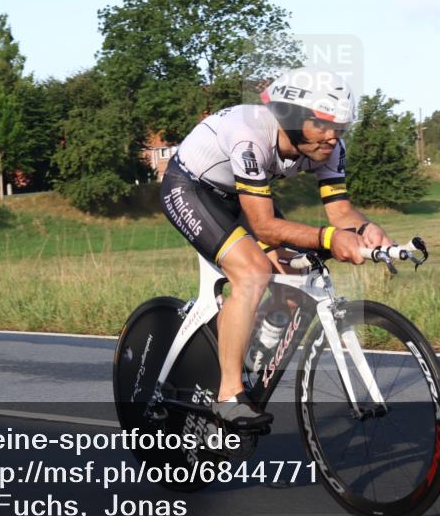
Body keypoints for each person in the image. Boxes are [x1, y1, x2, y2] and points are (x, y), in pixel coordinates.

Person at [160, 67, 392, 429]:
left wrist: (366, 229)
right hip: (191, 188)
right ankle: (229, 394)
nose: (332, 138)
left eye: (340, 128)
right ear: (291, 116)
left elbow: (341, 211)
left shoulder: (329, 147)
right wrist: (330, 238)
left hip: (241, 193)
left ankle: (251, 348)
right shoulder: (250, 134)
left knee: (296, 273)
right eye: (323, 125)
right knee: (252, 272)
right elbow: (265, 225)